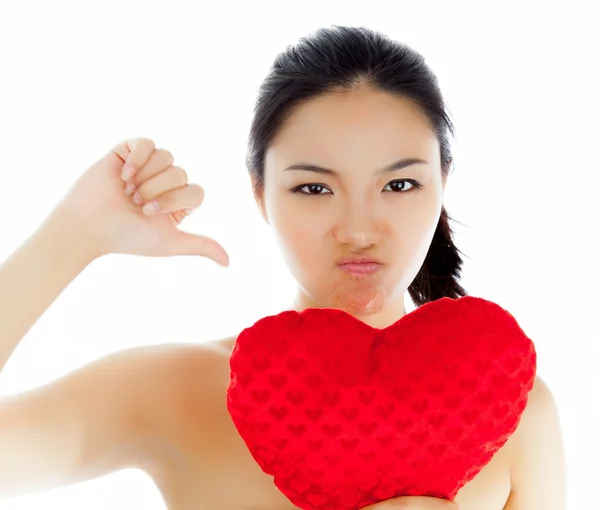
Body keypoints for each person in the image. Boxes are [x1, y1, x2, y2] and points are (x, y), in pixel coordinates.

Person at [0, 25, 566, 510]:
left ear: (442, 185)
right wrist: (74, 234)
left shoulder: (516, 412)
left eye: (399, 184)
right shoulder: (175, 389)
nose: (360, 229)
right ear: (260, 194)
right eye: (315, 187)